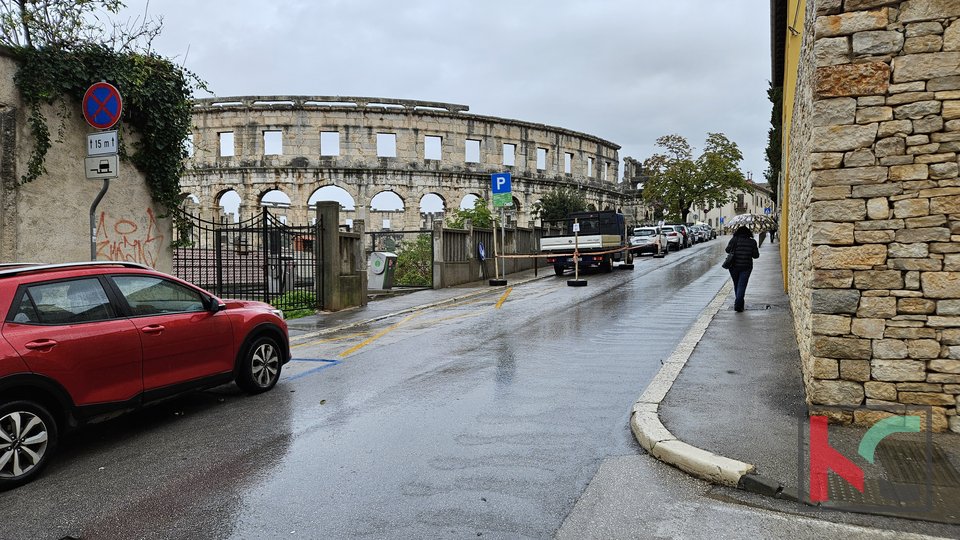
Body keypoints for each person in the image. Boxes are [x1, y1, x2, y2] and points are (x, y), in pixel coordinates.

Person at [726, 225, 760, 312]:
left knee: (736, 284)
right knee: (742, 285)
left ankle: (739, 303)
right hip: (746, 267)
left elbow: (727, 250)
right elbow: (756, 256)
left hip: (733, 266)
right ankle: (738, 304)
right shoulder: (752, 242)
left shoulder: (734, 239)